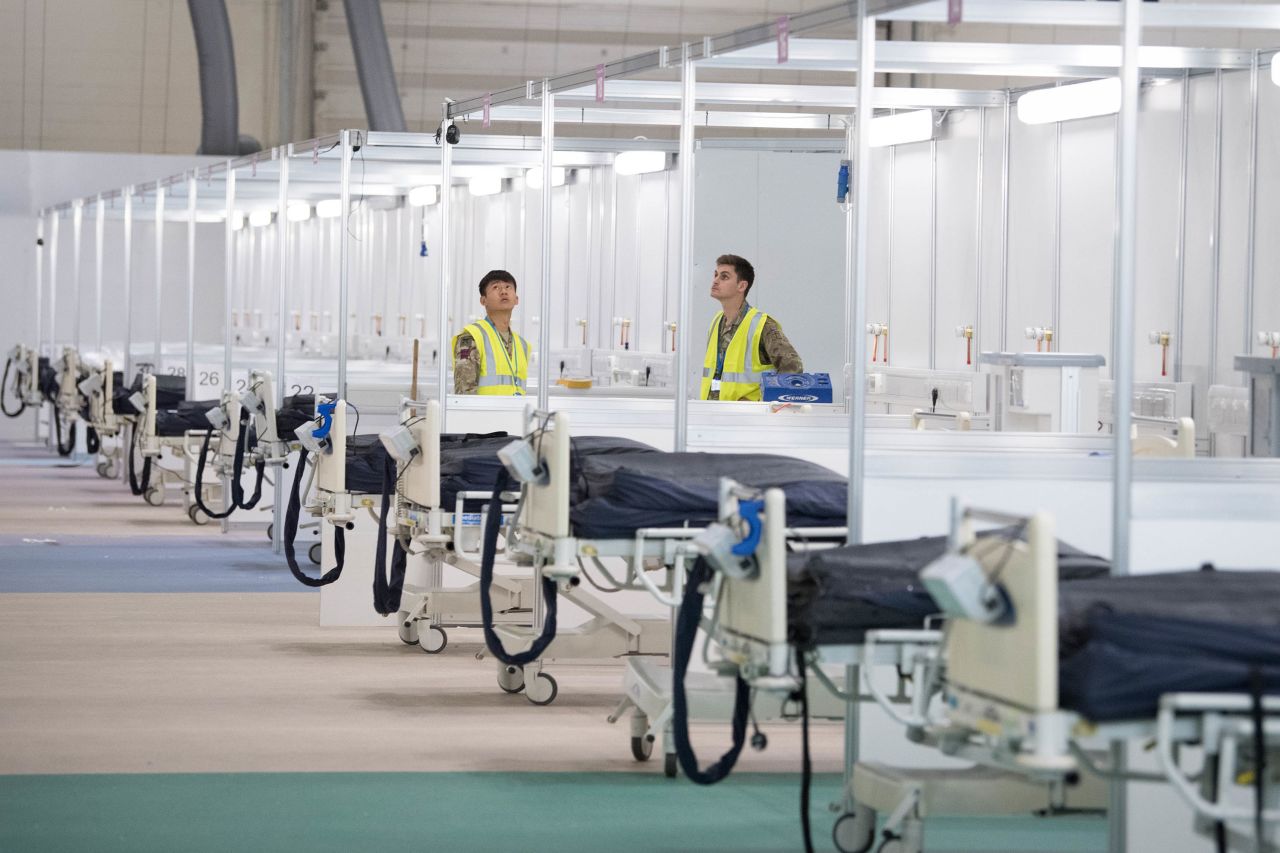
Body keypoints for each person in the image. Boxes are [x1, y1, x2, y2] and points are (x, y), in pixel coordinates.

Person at [700, 254, 802, 401]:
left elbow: (793, 368)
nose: (715, 281)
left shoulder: (762, 325)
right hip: (712, 414)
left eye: (724, 277)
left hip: (747, 419)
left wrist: (758, 403)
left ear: (742, 285)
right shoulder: (716, 321)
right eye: (715, 275)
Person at [452, 270, 531, 395]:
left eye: (508, 287)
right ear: (483, 301)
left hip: (515, 413)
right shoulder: (473, 336)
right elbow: (464, 393)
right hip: (484, 414)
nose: (503, 291)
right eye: (496, 287)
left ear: (516, 299)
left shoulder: (522, 345)